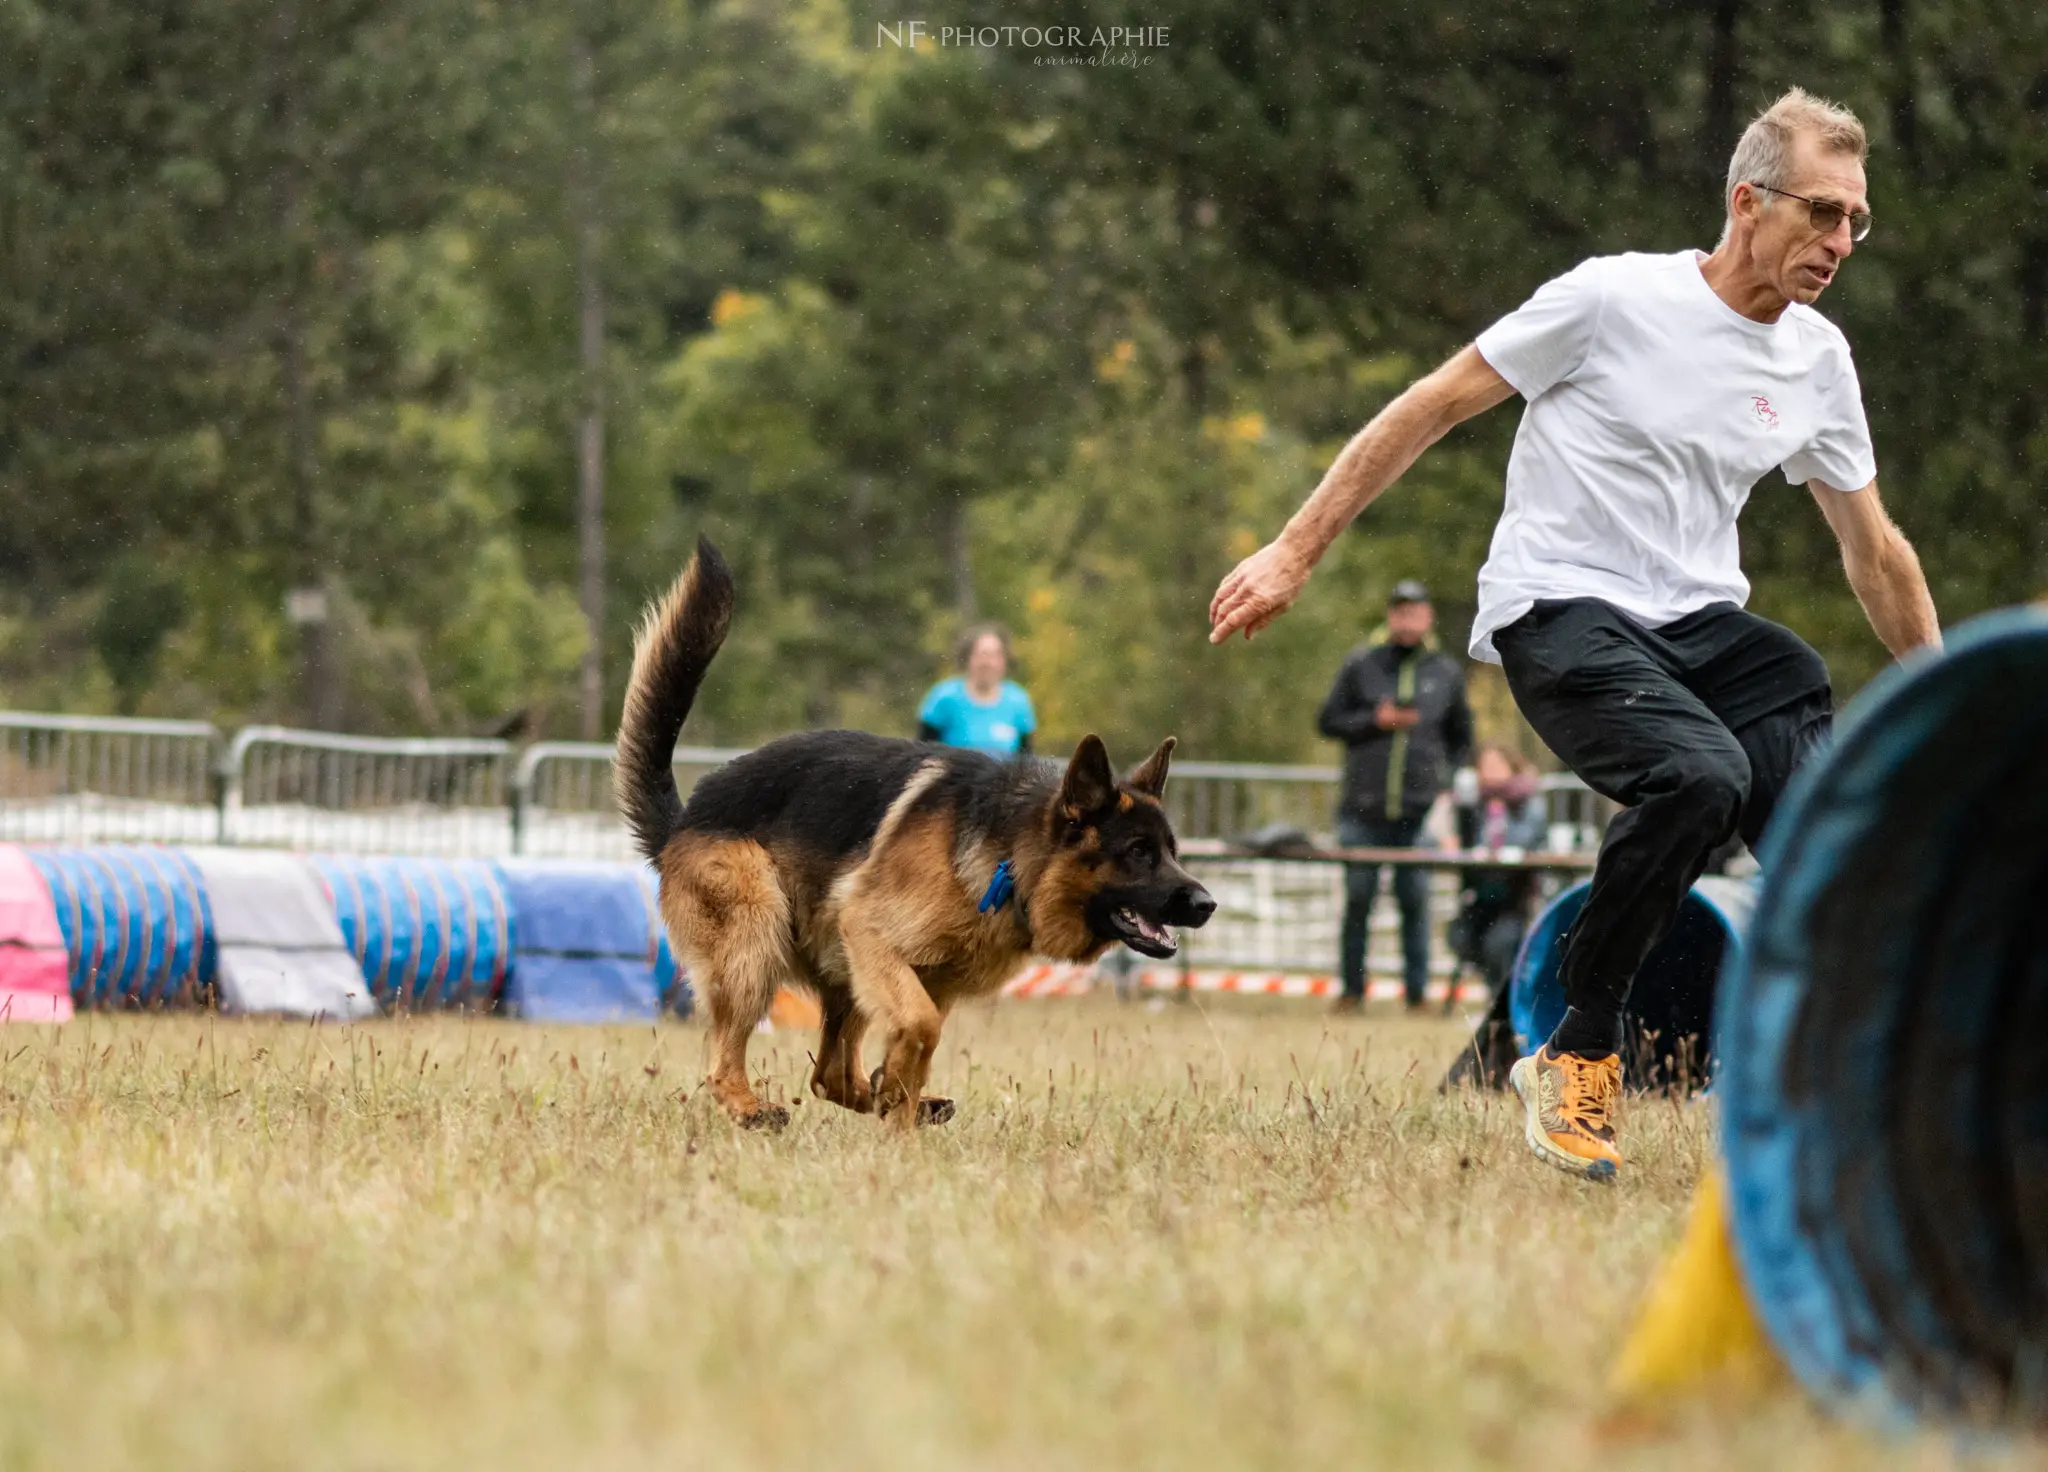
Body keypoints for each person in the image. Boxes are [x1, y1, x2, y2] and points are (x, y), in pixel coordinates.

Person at [1207, 88, 1941, 1177]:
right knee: (1700, 776)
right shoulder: (1609, 299)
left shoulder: (1817, 360)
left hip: (1696, 622)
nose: (1839, 242)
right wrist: (1293, 549)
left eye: (1853, 222)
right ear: (1746, 201)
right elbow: (1432, 402)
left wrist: (1955, 703)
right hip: (1559, 608)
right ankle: (1576, 1047)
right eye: (1820, 214)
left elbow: (1873, 551)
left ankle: (1850, 1060)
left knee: (1797, 729)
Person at [1319, 581, 1472, 1012]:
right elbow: (1328, 721)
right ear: (1390, 617)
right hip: (1362, 809)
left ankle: (1417, 995)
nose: (1408, 620)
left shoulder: (1445, 672)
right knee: (1357, 901)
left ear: (1428, 618)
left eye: (1416, 612)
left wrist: (1446, 779)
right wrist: (1373, 721)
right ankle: (1352, 992)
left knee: (1415, 905)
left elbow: (1462, 737)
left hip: (1417, 813)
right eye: (1400, 612)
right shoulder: (1361, 664)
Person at [1449, 745, 1548, 1009]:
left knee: (1500, 942)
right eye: (1485, 766)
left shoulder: (1529, 801)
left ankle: (1502, 1003)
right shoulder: (1469, 803)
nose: (1490, 772)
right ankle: (1497, 998)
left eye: (1496, 765)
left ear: (1510, 767)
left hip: (1514, 897)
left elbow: (1528, 839)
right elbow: (1448, 838)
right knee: (1459, 937)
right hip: (1478, 896)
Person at [917, 624, 1036, 756]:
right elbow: (921, 753)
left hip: (1005, 776)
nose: (988, 663)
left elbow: (1026, 759)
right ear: (968, 658)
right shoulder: (944, 697)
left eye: (995, 655)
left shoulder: (1018, 701)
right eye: (982, 654)